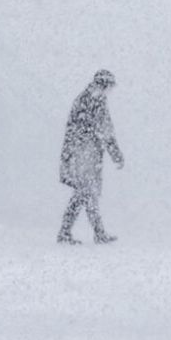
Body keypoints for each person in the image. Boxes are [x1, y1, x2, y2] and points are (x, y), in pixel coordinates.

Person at [57, 69, 125, 245]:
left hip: (86, 156)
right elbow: (104, 130)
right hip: (84, 156)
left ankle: (92, 232)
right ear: (103, 84)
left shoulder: (92, 99)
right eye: (109, 86)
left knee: (86, 195)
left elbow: (101, 130)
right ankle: (73, 233)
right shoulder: (92, 100)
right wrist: (115, 153)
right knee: (85, 193)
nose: (110, 91)